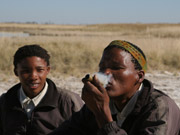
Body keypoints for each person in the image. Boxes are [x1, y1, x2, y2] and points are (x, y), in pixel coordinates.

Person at [49, 40, 180, 135]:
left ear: (139, 77)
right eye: (102, 68)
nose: (105, 73)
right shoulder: (100, 103)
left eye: (116, 68)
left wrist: (103, 115)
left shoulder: (159, 107)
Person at [0, 44, 84, 135]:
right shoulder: (5, 102)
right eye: (26, 71)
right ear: (16, 72)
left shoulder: (68, 102)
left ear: (47, 70)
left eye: (39, 70)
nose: (33, 76)